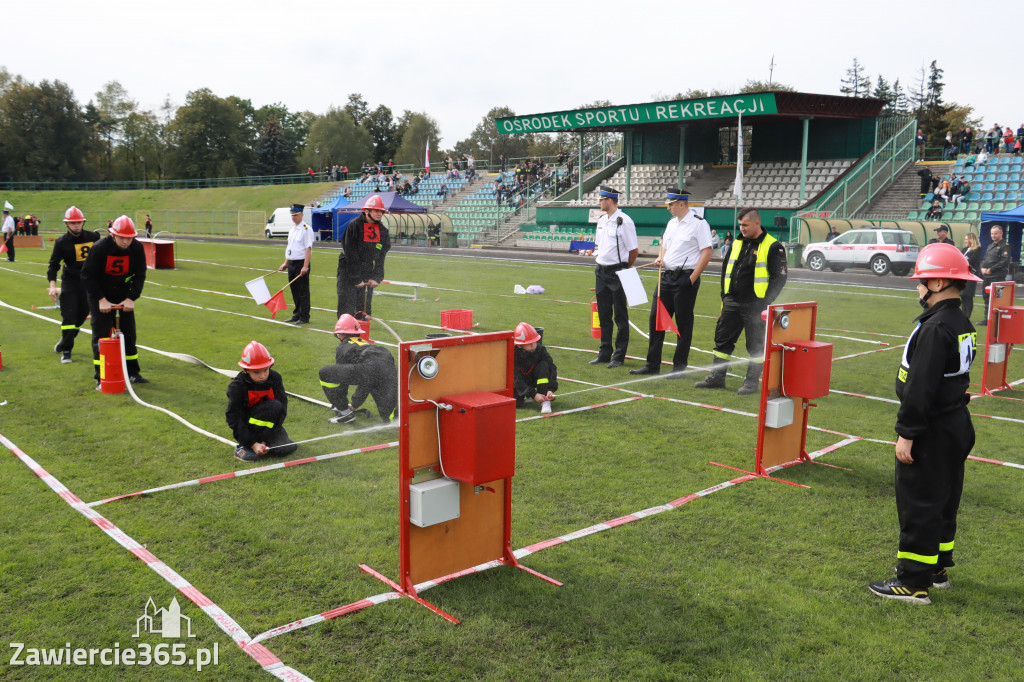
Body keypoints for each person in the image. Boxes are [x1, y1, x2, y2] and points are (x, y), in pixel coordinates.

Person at [867, 243, 980, 605]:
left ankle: (913, 582)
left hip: (932, 428)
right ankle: (936, 567)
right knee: (944, 499)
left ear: (938, 282)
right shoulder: (960, 321)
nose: (917, 287)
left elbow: (920, 388)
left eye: (921, 281)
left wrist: (907, 434)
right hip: (954, 424)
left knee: (919, 502)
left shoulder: (935, 328)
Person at [694, 208, 787, 395]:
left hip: (755, 304)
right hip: (732, 301)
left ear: (757, 223)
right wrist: (724, 295)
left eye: (745, 225)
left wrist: (764, 303)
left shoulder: (773, 246)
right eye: (740, 225)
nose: (742, 228)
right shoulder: (737, 242)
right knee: (722, 341)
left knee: (755, 345)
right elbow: (726, 270)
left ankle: (751, 383)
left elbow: (780, 278)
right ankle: (717, 378)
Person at [630, 190, 713, 377]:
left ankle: (679, 366)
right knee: (655, 321)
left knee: (683, 324)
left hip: (685, 278)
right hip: (665, 277)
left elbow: (706, 253)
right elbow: (664, 247)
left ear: (681, 204)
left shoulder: (699, 224)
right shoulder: (671, 224)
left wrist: (690, 280)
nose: (668, 207)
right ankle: (652, 365)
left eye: (671, 204)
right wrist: (661, 259)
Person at [81, 215, 149, 387]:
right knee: (102, 336)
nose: (126, 242)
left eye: (129, 238)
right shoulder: (99, 248)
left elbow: (140, 275)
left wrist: (131, 298)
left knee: (129, 334)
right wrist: (101, 300)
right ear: (113, 235)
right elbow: (87, 276)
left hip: (123, 293)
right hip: (100, 292)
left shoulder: (137, 248)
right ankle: (101, 377)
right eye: (122, 238)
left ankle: (133, 373)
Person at [226, 340, 297, 462]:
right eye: (256, 372)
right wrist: (253, 443)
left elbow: (283, 408)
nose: (262, 375)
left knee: (287, 448)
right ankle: (243, 447)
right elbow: (234, 417)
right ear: (245, 370)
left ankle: (261, 443)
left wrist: (269, 436)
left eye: (265, 370)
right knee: (273, 405)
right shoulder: (237, 386)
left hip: (269, 427)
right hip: (248, 428)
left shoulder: (275, 378)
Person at [591, 186, 638, 369]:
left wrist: (624, 268)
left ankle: (619, 355)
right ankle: (604, 352)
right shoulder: (602, 220)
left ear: (609, 200)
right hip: (601, 271)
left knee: (620, 315)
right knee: (603, 314)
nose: (599, 202)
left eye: (602, 199)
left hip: (617, 271)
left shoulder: (624, 221)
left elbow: (633, 250)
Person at [318, 314, 396, 424]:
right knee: (391, 417)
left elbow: (342, 381)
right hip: (387, 364)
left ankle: (345, 414)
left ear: (341, 335)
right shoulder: (365, 343)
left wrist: (344, 406)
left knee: (325, 372)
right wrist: (355, 404)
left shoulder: (343, 347)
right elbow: (368, 379)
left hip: (370, 368)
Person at [47, 207, 101, 364]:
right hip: (70, 283)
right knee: (69, 317)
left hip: (89, 284)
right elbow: (53, 266)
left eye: (78, 222)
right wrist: (52, 285)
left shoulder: (94, 237)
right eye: (72, 223)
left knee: (81, 317)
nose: (76, 225)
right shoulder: (61, 243)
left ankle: (63, 342)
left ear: (83, 222)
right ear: (67, 224)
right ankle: (67, 350)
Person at [337, 195, 390, 320]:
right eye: (376, 211)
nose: (380, 214)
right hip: (348, 269)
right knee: (346, 306)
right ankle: (345, 335)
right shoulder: (354, 226)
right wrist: (356, 278)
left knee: (364, 309)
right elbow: (350, 253)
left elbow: (381, 256)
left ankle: (363, 335)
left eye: (381, 211)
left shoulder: (383, 231)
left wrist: (376, 277)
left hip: (367, 268)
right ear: (367, 211)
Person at [278, 204, 313, 325]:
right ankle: (297, 314)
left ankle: (304, 316)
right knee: (294, 290)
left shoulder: (306, 229)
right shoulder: (292, 229)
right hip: (292, 263)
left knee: (303, 291)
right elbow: (290, 247)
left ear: (301, 215)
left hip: (301, 263)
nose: (293, 217)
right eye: (292, 215)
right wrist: (286, 263)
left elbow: (308, 248)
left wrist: (305, 266)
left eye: (295, 215)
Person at [513, 322, 557, 414]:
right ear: (519, 345)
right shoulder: (514, 355)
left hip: (534, 378)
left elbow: (552, 368)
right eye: (529, 343)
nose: (533, 345)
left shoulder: (541, 350)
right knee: (516, 403)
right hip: (519, 383)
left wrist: (550, 389)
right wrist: (533, 394)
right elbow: (516, 379)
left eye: (534, 342)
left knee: (544, 365)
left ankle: (545, 400)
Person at [978, 224, 1011, 325]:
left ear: (1001, 233)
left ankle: (997, 320)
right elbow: (985, 259)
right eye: (992, 233)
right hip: (987, 276)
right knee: (986, 297)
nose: (993, 235)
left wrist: (991, 269)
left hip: (997, 277)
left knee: (997, 299)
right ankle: (986, 319)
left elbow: (1004, 261)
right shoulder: (990, 245)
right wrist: (982, 267)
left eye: (995, 233)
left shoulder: (1005, 245)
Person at [960, 232, 981, 319]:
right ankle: (963, 314)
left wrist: (965, 260)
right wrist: (965, 259)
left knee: (968, 295)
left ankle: (967, 316)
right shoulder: (965, 249)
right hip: (962, 275)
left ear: (971, 240)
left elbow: (972, 261)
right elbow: (960, 259)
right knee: (963, 295)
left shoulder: (977, 249)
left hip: (971, 275)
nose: (965, 241)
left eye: (967, 239)